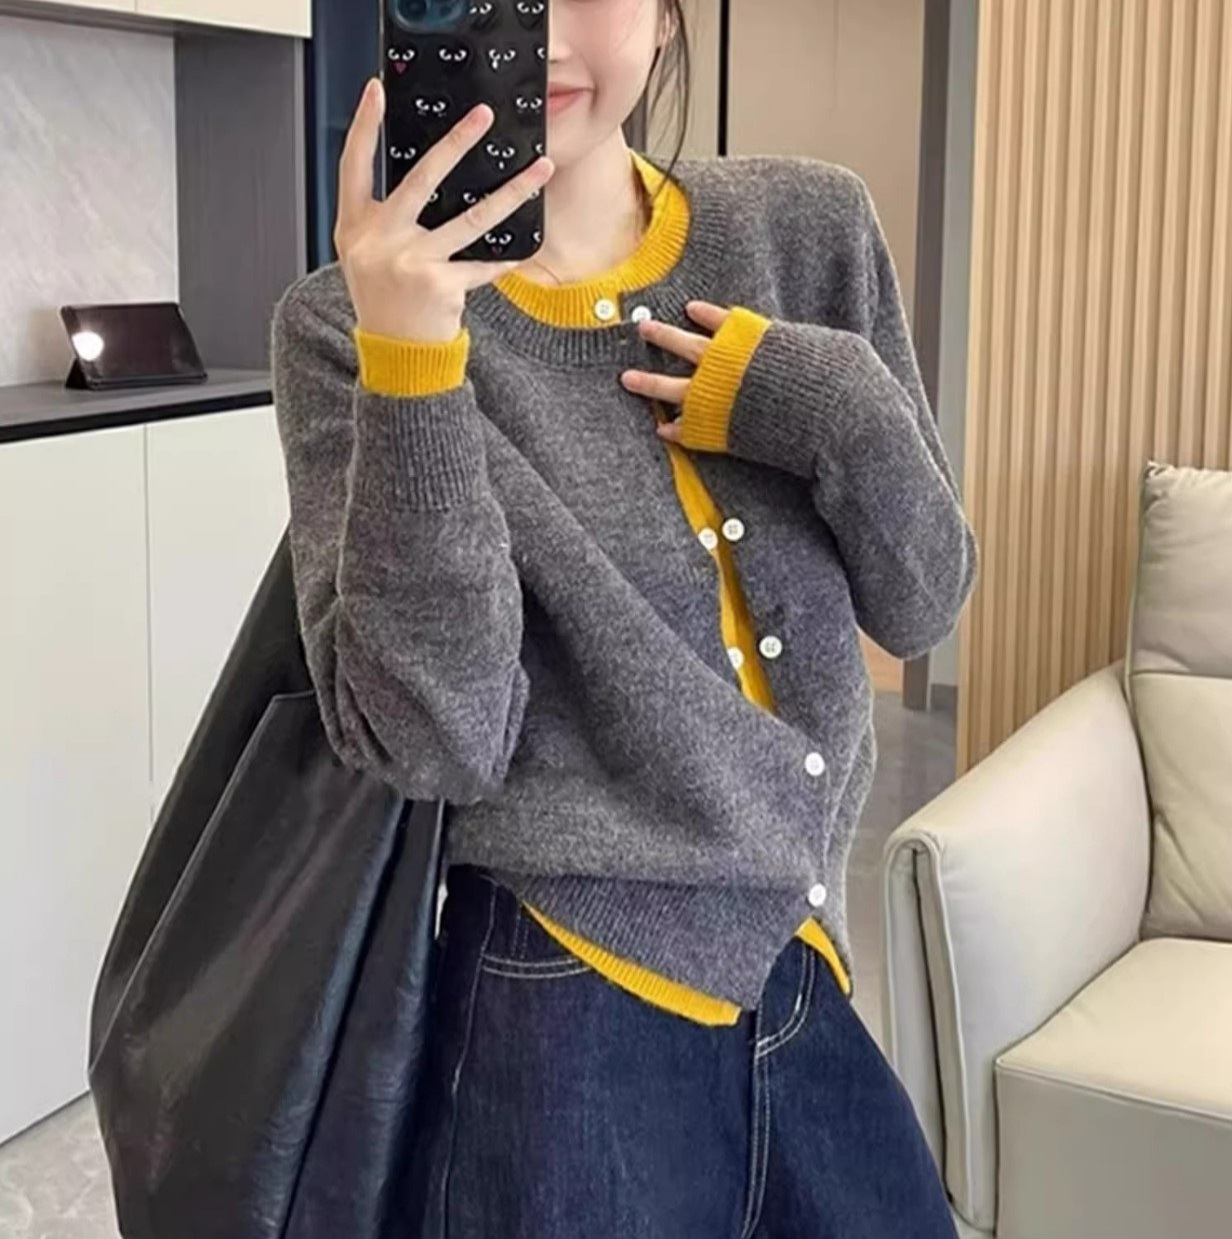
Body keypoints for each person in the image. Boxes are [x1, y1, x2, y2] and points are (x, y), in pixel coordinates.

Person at [270, 1, 977, 1234]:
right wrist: (415, 360)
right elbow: (434, 745)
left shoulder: (806, 228)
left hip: (800, 959)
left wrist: (826, 402)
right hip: (557, 1002)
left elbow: (923, 605)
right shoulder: (345, 325)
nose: (540, 34)